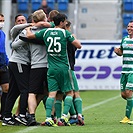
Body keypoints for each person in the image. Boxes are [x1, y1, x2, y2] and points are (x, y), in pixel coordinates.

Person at [26, 13, 81, 127]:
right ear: (61, 22)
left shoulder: (46, 32)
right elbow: (78, 45)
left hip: (51, 68)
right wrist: (73, 37)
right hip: (64, 68)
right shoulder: (65, 33)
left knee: (52, 94)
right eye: (64, 21)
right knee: (69, 92)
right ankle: (64, 117)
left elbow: (30, 36)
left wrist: (28, 29)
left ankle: (48, 118)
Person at [2, 14, 30, 126]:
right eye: (19, 21)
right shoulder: (16, 32)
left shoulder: (28, 32)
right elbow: (14, 44)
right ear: (15, 23)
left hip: (15, 63)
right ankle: (21, 115)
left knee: (13, 91)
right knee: (25, 89)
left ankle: (7, 116)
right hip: (19, 63)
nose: (21, 22)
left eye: (23, 20)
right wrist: (30, 24)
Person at [55, 20, 84, 126]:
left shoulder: (55, 38)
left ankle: (58, 117)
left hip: (55, 69)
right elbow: (77, 45)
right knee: (74, 92)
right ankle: (76, 115)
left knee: (58, 94)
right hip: (68, 69)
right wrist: (73, 37)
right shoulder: (69, 39)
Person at [114, 20, 133, 124]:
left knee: (129, 92)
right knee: (123, 94)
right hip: (124, 70)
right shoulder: (124, 39)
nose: (129, 28)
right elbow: (121, 52)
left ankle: (127, 117)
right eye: (128, 26)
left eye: (131, 27)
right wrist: (118, 52)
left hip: (132, 70)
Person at [0, 13, 9, 121]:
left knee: (6, 88)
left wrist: (6, 61)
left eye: (2, 20)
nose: (1, 22)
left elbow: (3, 50)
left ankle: (3, 113)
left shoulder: (2, 33)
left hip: (3, 65)